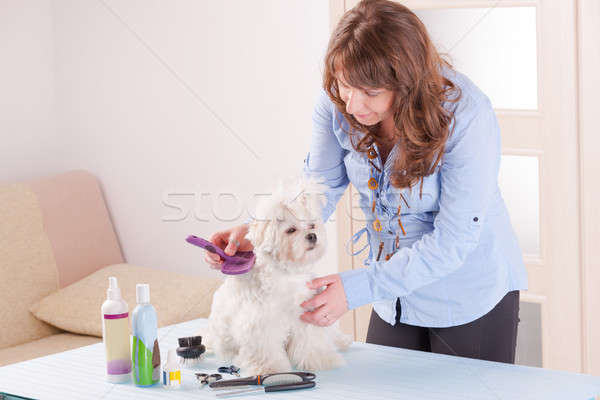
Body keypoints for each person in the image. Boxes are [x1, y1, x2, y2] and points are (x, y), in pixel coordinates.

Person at [205, 0, 528, 364]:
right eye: (345, 85)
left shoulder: (467, 114)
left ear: (407, 84)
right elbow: (318, 188)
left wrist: (356, 288)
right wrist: (259, 231)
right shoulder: (336, 104)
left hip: (469, 295)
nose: (354, 105)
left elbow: (454, 240)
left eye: (371, 93)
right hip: (393, 298)